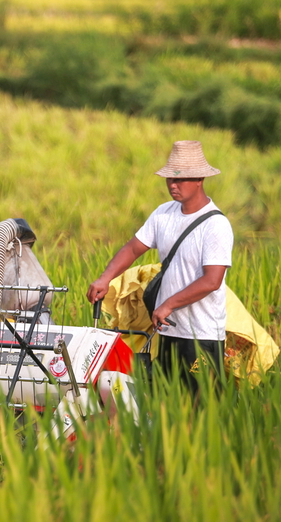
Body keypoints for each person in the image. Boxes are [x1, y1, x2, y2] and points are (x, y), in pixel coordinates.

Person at [86, 140, 234, 391]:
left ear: (199, 179)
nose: (173, 186)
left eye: (180, 180)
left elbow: (212, 281)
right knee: (166, 408)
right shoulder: (164, 213)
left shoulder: (216, 225)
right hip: (168, 333)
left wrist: (168, 304)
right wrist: (105, 278)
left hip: (201, 335)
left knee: (201, 410)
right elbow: (133, 248)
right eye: (169, 179)